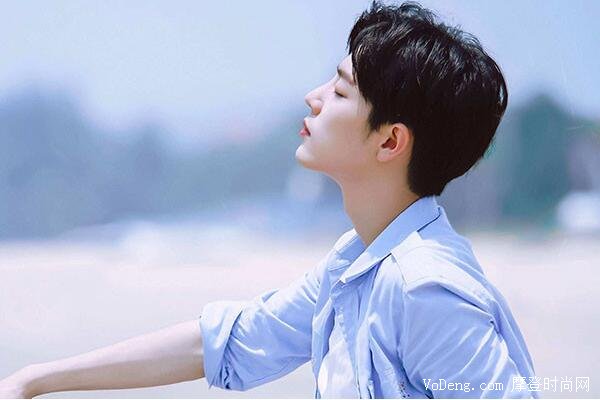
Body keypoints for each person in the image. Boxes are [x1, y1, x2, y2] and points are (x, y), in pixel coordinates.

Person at [0, 1, 538, 398]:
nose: (314, 97)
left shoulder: (423, 289)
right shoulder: (355, 264)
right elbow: (229, 344)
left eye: (340, 91)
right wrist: (35, 380)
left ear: (390, 142)